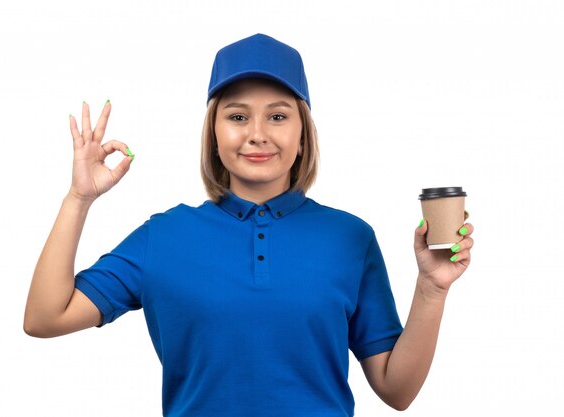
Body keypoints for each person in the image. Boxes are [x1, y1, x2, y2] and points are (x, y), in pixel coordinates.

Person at [24, 33, 474, 416]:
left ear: (302, 136)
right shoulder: (162, 237)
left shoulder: (350, 238)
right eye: (237, 116)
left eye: (277, 116)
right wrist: (78, 198)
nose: (257, 132)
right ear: (214, 134)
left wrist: (432, 289)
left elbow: (396, 391)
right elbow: (45, 318)